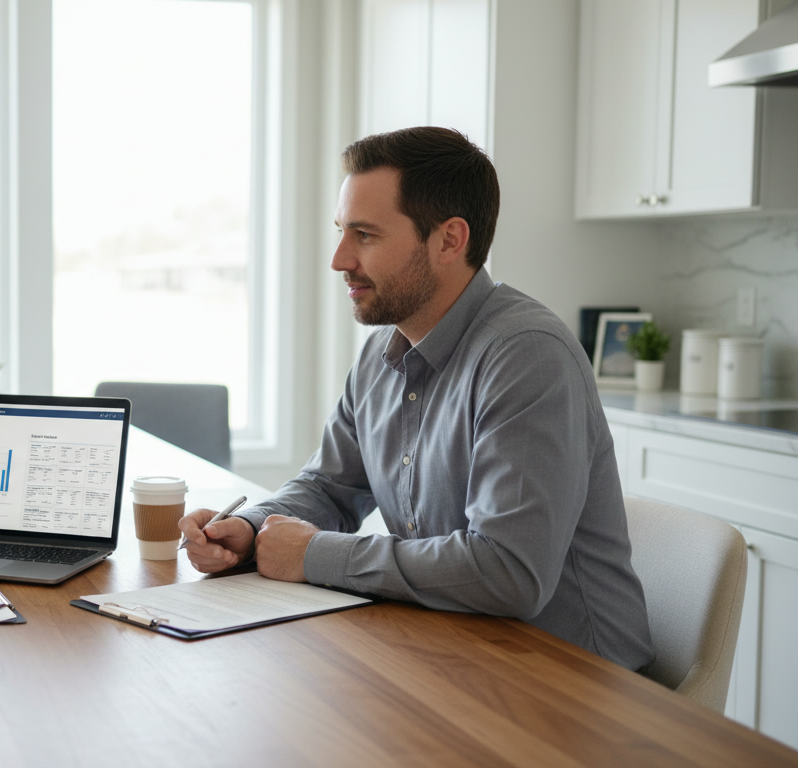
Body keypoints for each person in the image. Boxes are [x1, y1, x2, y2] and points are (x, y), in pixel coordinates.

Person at [179, 126, 654, 672]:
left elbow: (508, 573)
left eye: (365, 235)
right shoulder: (382, 351)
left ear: (450, 240)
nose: (339, 259)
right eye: (341, 232)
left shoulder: (527, 356)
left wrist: (314, 555)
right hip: (460, 653)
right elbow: (327, 489)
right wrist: (253, 528)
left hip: (578, 686)